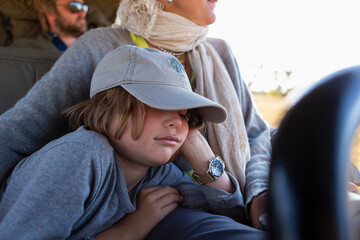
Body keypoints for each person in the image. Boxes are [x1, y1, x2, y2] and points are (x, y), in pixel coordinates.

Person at [0, 0, 272, 237]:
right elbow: (22, 131)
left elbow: (256, 134)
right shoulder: (81, 154)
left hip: (199, 198)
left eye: (185, 113)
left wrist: (255, 191)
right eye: (157, 103)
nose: (176, 121)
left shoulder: (161, 173)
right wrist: (127, 232)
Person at [10, 0, 88, 51]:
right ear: (50, 11)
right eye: (74, 7)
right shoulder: (25, 49)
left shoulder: (94, 48)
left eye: (84, 7)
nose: (83, 13)